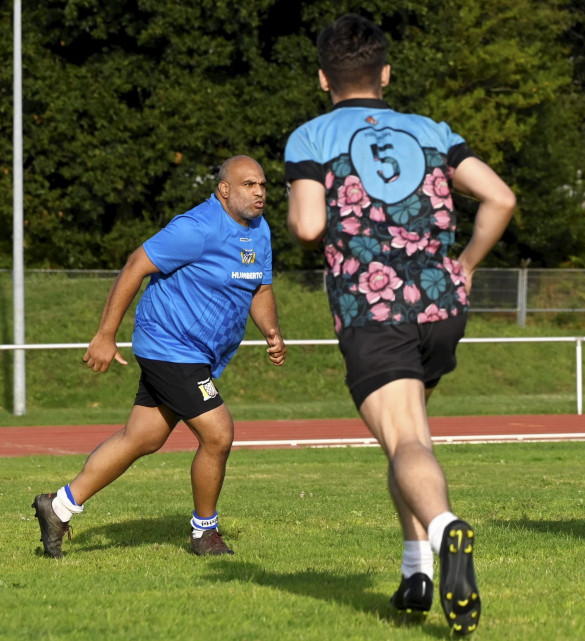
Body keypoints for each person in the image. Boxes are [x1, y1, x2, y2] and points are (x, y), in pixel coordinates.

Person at [284, 14, 515, 635]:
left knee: (406, 439)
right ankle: (414, 573)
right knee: (410, 439)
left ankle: (444, 535)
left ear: (322, 78)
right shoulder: (432, 130)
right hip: (441, 307)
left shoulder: (311, 136)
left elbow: (307, 226)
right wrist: (464, 264)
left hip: (373, 305)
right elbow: (501, 198)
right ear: (385, 74)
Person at [32, 155, 286, 558]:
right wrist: (105, 335)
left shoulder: (260, 231)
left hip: (195, 353)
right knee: (218, 433)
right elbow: (136, 265)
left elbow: (260, 289)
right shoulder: (196, 227)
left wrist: (271, 330)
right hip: (170, 346)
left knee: (143, 437)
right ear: (224, 190)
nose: (259, 192)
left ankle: (58, 506)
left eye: (263, 185)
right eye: (249, 185)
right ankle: (205, 532)